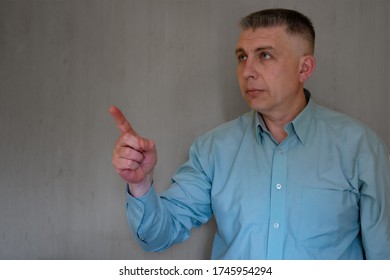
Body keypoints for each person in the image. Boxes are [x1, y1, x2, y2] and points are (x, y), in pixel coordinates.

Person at [110, 8, 390, 259]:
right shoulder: (213, 149)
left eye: (264, 55)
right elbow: (158, 237)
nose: (247, 71)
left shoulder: (360, 147)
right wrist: (141, 185)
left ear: (304, 68)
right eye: (242, 57)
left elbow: (383, 256)